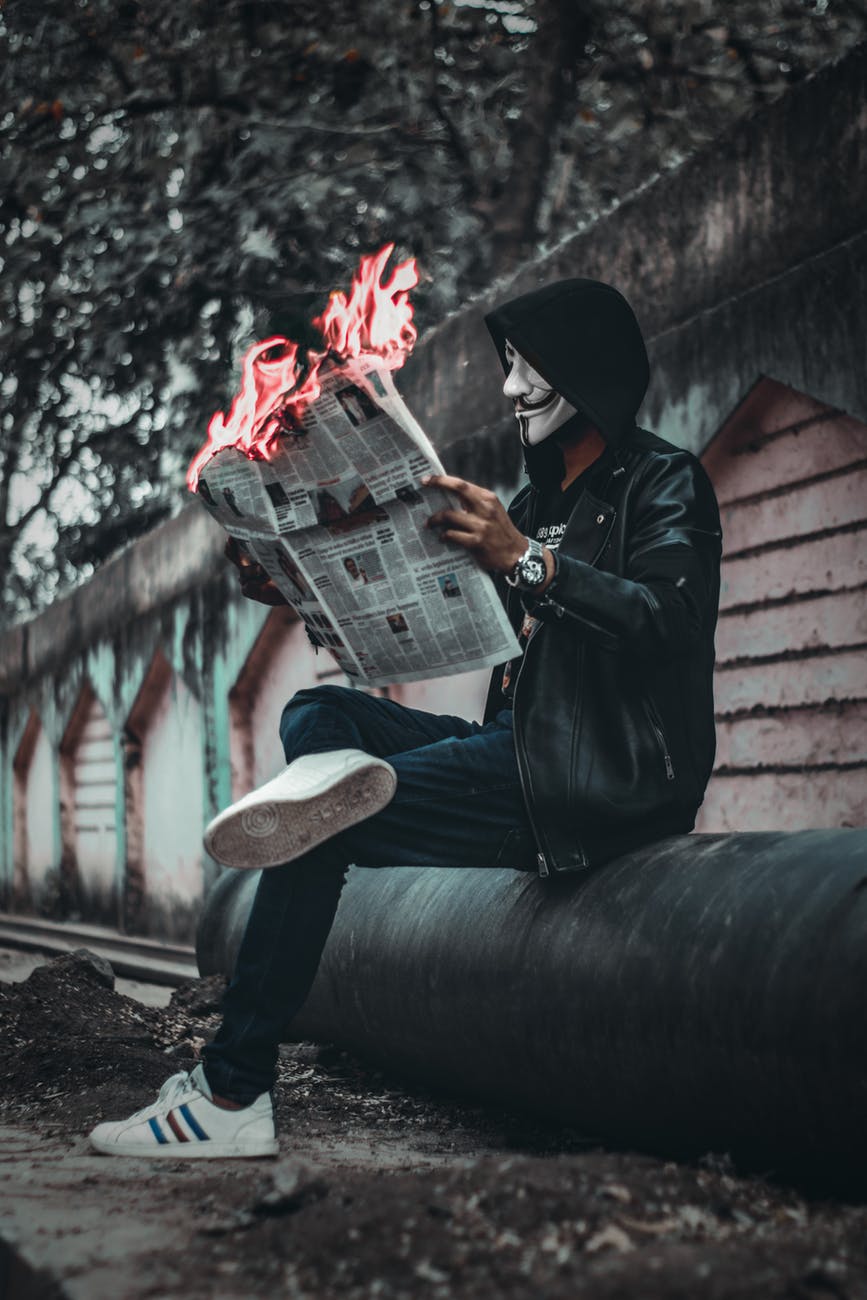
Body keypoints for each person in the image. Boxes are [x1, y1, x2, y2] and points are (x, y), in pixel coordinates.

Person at [89, 278, 722, 1159]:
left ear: (591, 371)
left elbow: (669, 621)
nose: (510, 390)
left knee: (321, 819)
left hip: (595, 779)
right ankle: (322, 801)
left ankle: (232, 1092)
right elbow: (445, 615)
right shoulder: (536, 503)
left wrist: (528, 563)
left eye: (530, 370)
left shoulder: (665, 481)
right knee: (320, 712)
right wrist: (302, 583)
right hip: (519, 752)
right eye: (506, 368)